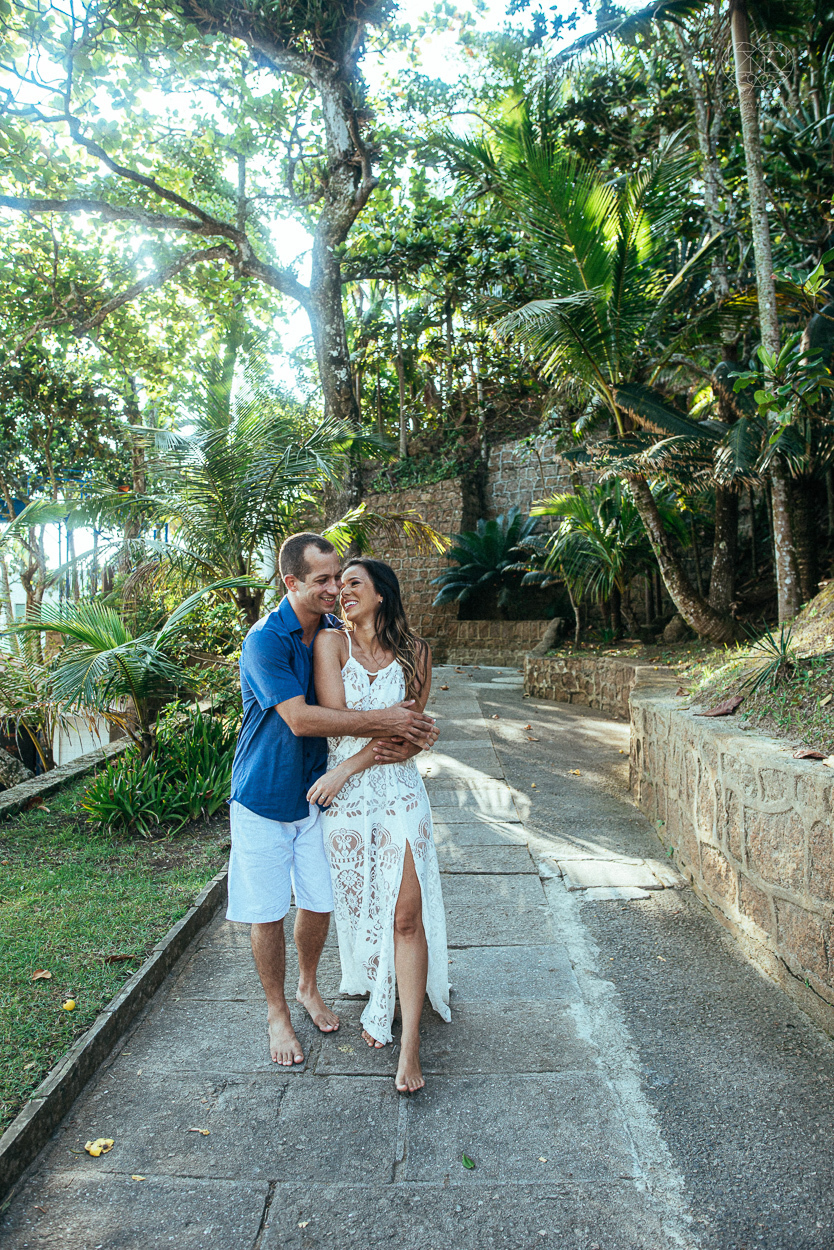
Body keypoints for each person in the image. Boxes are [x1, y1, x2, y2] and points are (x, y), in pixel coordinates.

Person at [227, 534, 439, 1068]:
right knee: (269, 911)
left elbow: (406, 715)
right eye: (322, 580)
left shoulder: (330, 630)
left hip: (320, 796)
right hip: (265, 794)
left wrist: (413, 734)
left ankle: (306, 986)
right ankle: (277, 1011)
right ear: (290, 582)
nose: (333, 588)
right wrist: (391, 722)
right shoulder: (264, 640)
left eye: (339, 577)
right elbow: (301, 719)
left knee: (322, 905)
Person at [307, 557, 451, 1093]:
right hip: (347, 805)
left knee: (406, 915)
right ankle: (380, 990)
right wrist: (394, 738)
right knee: (365, 905)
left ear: (381, 595)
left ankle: (409, 1043)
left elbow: (409, 735)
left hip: (398, 793)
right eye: (338, 585)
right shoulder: (331, 646)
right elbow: (342, 720)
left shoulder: (417, 653)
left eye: (353, 584)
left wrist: (353, 762)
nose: (342, 592)